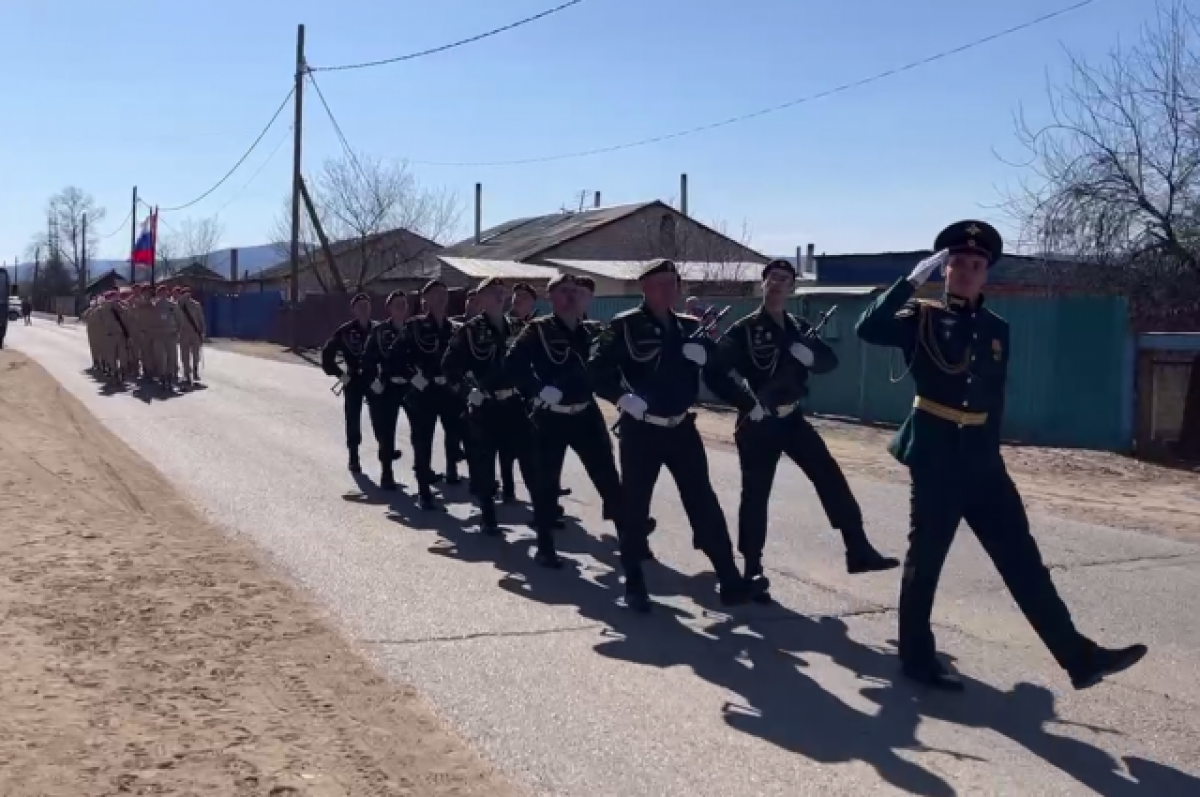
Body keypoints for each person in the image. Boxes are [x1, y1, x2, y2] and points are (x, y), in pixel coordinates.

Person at [855, 219, 1147, 692]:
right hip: (937, 459)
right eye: (957, 264)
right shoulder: (920, 318)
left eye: (976, 265)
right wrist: (908, 283)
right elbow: (868, 328)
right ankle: (916, 657)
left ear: (985, 274)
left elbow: (992, 399)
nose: (967, 272)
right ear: (944, 270)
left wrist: (992, 461)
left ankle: (1079, 658)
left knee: (1024, 562)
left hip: (983, 462)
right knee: (925, 561)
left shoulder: (997, 329)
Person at [705, 259, 899, 602]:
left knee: (829, 476)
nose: (778, 284)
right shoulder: (744, 330)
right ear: (762, 285)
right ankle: (752, 567)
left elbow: (829, 362)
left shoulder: (800, 327)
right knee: (756, 495)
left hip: (792, 418)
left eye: (785, 279)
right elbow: (714, 374)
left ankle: (857, 547)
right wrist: (747, 403)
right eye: (772, 279)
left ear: (793, 288)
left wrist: (809, 357)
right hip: (759, 422)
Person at [588, 258, 763, 611]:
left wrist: (747, 402)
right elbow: (595, 371)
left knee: (703, 501)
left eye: (673, 283)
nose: (668, 290)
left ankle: (728, 578)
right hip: (642, 429)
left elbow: (716, 376)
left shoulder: (689, 327)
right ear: (645, 288)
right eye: (660, 284)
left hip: (681, 428)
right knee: (635, 505)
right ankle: (634, 580)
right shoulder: (625, 326)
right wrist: (622, 398)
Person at [507, 273, 632, 566]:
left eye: (575, 291)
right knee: (545, 482)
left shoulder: (593, 331)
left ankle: (630, 541)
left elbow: (612, 369)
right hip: (551, 418)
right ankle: (545, 546)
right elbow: (512, 364)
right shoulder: (537, 330)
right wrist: (537, 390)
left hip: (585, 414)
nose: (571, 296)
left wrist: (622, 397)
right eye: (563, 291)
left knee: (608, 478)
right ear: (550, 297)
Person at [443, 277, 537, 535]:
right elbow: (450, 368)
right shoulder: (469, 330)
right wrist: (466, 391)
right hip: (485, 404)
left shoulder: (519, 327)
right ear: (480, 299)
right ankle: (488, 514)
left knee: (530, 460)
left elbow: (532, 364)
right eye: (492, 292)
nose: (498, 296)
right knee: (484, 462)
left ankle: (543, 513)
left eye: (501, 291)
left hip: (515, 405)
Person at [405, 279, 466, 507]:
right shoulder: (414, 326)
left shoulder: (455, 328)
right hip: (425, 392)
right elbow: (397, 356)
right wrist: (414, 377)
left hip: (449, 390)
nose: (442, 298)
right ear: (426, 299)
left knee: (454, 433)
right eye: (436, 294)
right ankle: (423, 490)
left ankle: (452, 471)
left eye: (445, 293)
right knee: (423, 439)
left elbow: (463, 359)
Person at [362, 291, 414, 490]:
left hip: (411, 387)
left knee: (420, 429)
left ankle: (422, 471)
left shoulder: (413, 329)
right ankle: (387, 474)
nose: (401, 307)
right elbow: (367, 360)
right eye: (397, 304)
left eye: (404, 303)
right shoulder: (380, 331)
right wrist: (373, 381)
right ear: (389, 308)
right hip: (388, 386)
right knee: (386, 431)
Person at [321, 293, 377, 473]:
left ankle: (387, 451)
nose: (364, 310)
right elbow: (327, 354)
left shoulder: (378, 329)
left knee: (382, 416)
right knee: (353, 418)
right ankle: (354, 456)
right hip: (352, 380)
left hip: (373, 380)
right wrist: (340, 375)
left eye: (366, 306)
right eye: (360, 307)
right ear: (353, 310)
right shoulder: (344, 331)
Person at [176, 287, 206, 388]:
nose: (187, 295)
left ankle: (195, 371)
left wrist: (202, 332)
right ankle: (187, 374)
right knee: (185, 356)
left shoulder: (196, 305)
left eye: (188, 293)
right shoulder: (179, 305)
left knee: (196, 355)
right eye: (184, 293)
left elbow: (201, 319)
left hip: (195, 333)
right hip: (183, 333)